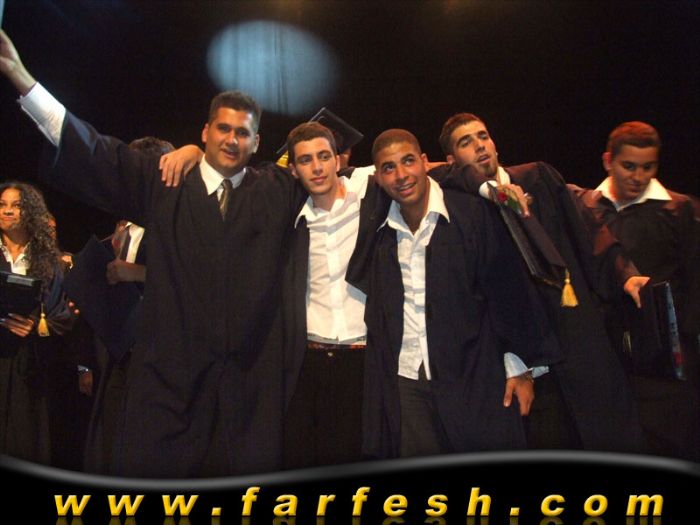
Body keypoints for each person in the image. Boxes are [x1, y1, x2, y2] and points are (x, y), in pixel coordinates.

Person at [0, 28, 306, 477]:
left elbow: (337, 174)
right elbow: (92, 150)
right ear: (205, 132)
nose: (231, 140)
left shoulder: (274, 191)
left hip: (245, 395)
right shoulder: (164, 182)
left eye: (243, 133)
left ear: (257, 143)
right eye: (223, 128)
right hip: (170, 389)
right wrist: (21, 77)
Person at [432, 112, 649, 454]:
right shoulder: (463, 208)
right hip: (526, 351)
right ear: (452, 161)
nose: (479, 146)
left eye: (483, 136)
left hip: (574, 329)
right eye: (465, 143)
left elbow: (588, 231)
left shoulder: (537, 178)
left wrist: (625, 273)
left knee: (607, 431)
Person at [361, 129, 559, 459]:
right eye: (388, 168)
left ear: (425, 162)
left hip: (474, 376)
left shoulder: (471, 214)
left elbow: (508, 293)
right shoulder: (379, 230)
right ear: (378, 178)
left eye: (408, 161)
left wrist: (521, 367)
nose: (401, 175)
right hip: (408, 382)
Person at [572, 121, 700, 461]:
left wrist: (683, 346)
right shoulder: (586, 208)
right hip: (605, 358)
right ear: (608, 161)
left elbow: (694, 283)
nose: (638, 176)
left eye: (648, 167)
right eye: (629, 166)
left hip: (664, 366)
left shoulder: (679, 211)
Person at [281, 121, 378, 469]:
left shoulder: (370, 195)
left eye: (324, 156)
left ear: (338, 160)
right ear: (294, 170)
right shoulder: (291, 221)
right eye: (305, 160)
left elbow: (426, 171)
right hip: (309, 360)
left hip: (364, 359)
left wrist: (492, 187)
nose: (317, 167)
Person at [81, 136, 174, 474]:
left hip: (162, 353)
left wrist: (139, 272)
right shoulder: (125, 226)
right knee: (112, 443)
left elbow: (198, 278)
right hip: (119, 351)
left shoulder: (178, 219)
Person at [0, 181, 74, 465]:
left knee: (26, 443)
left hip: (31, 366)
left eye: (16, 206)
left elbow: (63, 314)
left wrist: (35, 325)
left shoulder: (50, 262)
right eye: (2, 205)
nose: (7, 211)